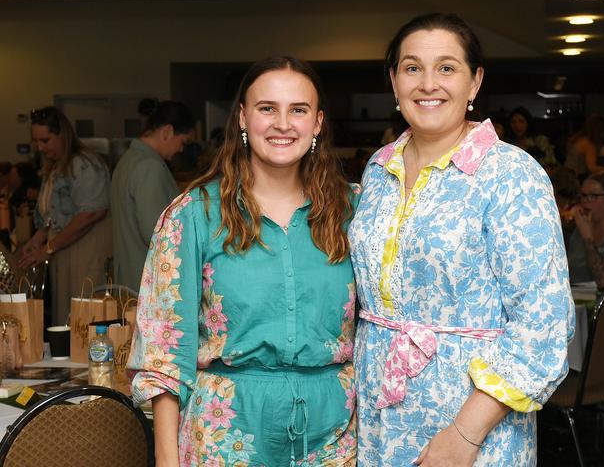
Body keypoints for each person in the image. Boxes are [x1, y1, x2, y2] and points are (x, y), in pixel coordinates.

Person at [349, 13, 574, 466]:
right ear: (394, 82)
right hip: (377, 418)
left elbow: (542, 326)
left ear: (475, 83)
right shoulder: (378, 168)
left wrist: (464, 436)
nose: (428, 83)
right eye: (412, 68)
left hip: (471, 424)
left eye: (447, 68)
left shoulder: (511, 175)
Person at [128, 56, 358, 467]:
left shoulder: (353, 211)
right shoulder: (193, 216)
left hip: (335, 436)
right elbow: (162, 353)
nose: (282, 123)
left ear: (318, 123)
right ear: (242, 118)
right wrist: (166, 459)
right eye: (267, 108)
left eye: (298, 110)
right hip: (225, 432)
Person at [18, 106, 111, 326]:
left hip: (85, 250)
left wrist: (49, 248)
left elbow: (91, 213)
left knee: (83, 317)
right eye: (36, 142)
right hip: (63, 246)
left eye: (46, 140)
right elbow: (53, 212)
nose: (40, 147)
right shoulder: (55, 166)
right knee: (67, 316)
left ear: (63, 135)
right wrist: (37, 240)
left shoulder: (84, 164)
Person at [110, 100, 195, 293]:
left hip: (130, 277)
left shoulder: (128, 160)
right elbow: (156, 234)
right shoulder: (150, 167)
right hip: (148, 282)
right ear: (167, 131)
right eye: (183, 142)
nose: (181, 149)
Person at [564, 113, 604, 180]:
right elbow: (592, 168)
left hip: (568, 176)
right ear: (599, 132)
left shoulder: (581, 140)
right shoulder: (588, 144)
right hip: (575, 178)